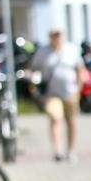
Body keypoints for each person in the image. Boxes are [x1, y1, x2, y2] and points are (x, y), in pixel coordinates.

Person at [31, 28, 86, 162]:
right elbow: (33, 68)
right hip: (51, 93)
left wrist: (79, 88)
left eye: (58, 35)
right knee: (55, 118)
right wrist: (33, 83)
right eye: (53, 36)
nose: (55, 38)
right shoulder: (43, 51)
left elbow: (79, 69)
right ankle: (57, 150)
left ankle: (71, 150)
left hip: (70, 91)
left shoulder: (71, 50)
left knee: (71, 121)